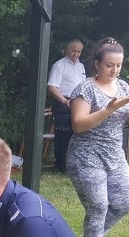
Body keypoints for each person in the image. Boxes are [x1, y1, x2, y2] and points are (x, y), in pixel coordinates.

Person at [67, 37, 129, 237]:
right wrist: (108, 109)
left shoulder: (123, 87)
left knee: (126, 203)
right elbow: (78, 125)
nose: (115, 70)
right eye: (109, 65)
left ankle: (93, 236)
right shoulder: (85, 89)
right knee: (99, 205)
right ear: (97, 64)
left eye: (119, 65)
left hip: (114, 155)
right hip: (86, 156)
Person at [47, 39, 86, 173]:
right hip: (63, 104)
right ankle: (61, 166)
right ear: (67, 50)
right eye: (73, 51)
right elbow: (52, 87)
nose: (76, 54)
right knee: (64, 136)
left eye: (79, 51)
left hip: (79, 104)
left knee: (79, 134)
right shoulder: (59, 65)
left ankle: (76, 166)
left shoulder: (81, 67)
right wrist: (64, 101)